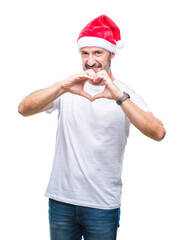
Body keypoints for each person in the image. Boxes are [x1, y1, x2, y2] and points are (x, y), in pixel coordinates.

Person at [18, 15, 166, 240]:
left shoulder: (125, 93)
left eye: (98, 52)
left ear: (112, 53)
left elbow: (158, 132)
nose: (90, 60)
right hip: (62, 201)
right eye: (85, 53)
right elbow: (24, 109)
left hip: (102, 206)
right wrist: (62, 86)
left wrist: (119, 97)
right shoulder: (68, 88)